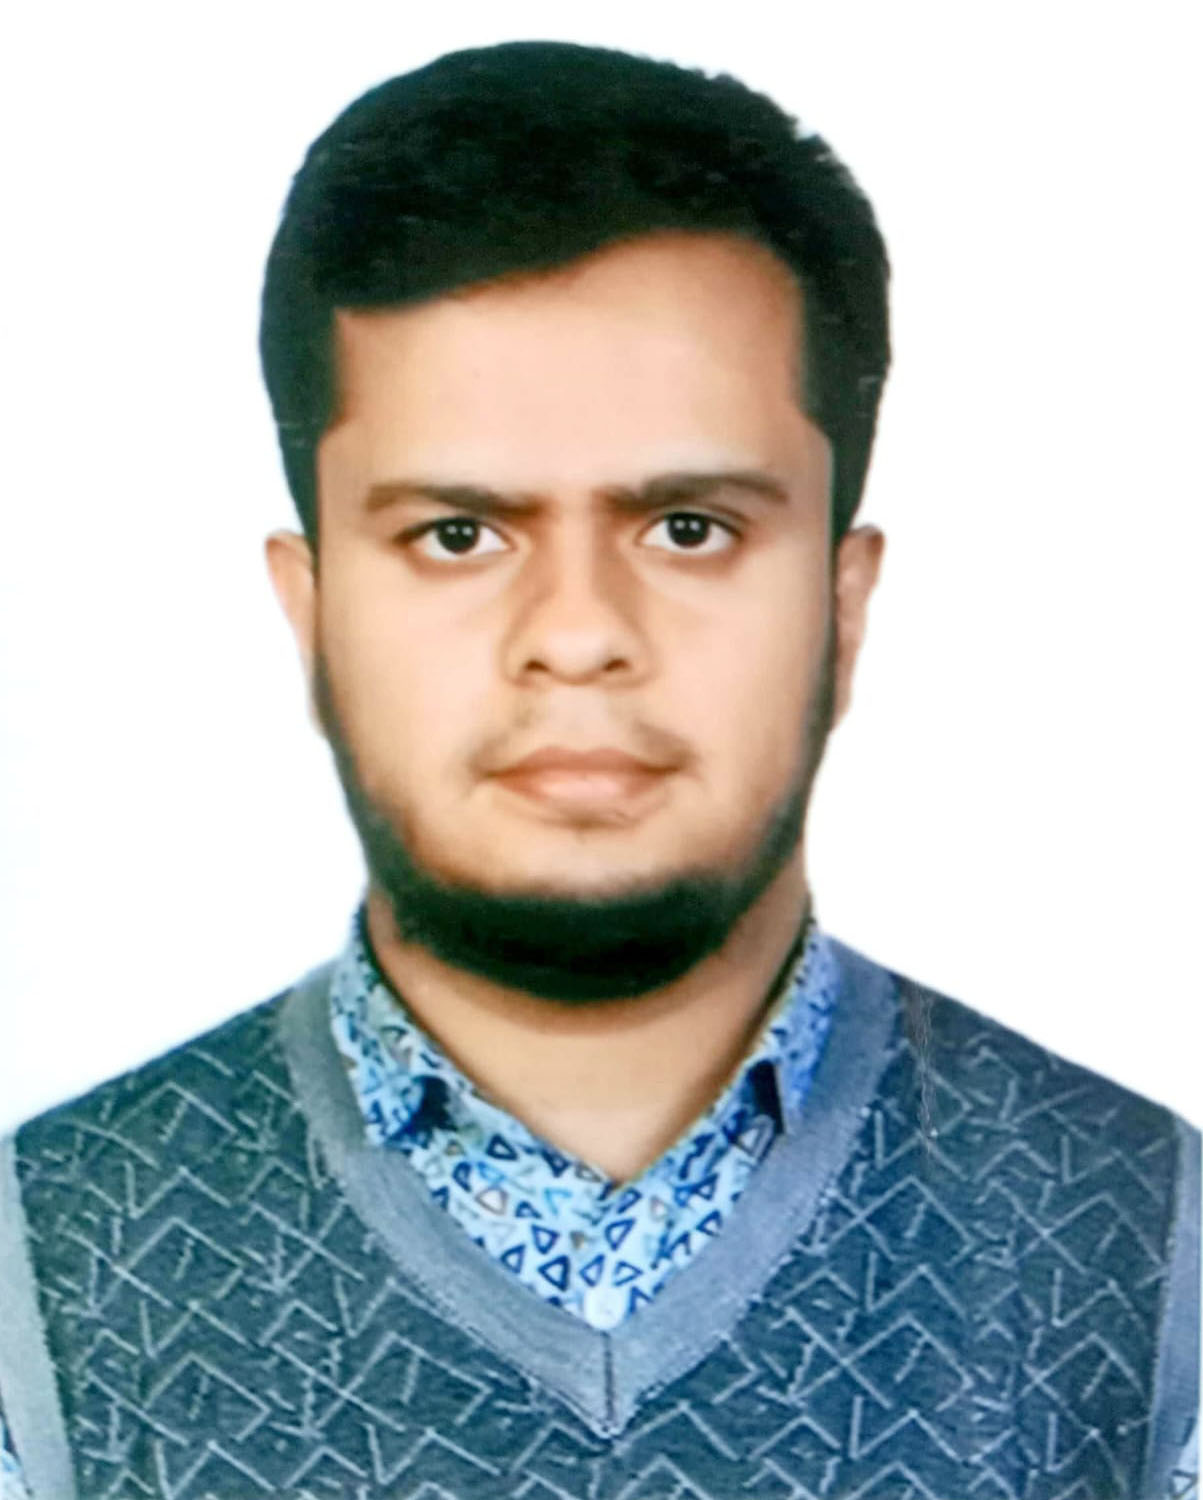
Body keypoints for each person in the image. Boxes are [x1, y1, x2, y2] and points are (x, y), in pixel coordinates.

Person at [0, 38, 1196, 1500]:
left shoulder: (1164, 1269)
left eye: (689, 528)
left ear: (842, 605)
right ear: (311, 618)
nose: (575, 634)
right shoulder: (34, 1301)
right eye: (457, 534)